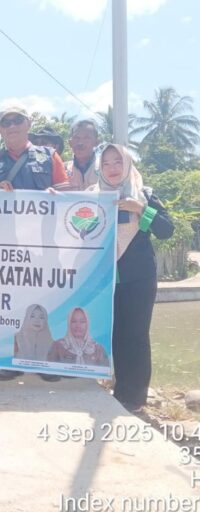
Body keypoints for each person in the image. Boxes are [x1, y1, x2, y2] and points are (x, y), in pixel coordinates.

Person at [0, 106, 69, 381]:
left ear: (28, 123)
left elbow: (68, 194)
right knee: (10, 305)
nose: (12, 125)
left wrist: (56, 194)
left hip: (44, 248)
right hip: (7, 251)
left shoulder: (50, 157)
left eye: (17, 120)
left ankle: (46, 362)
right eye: (6, 122)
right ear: (0, 129)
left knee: (46, 304)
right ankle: (12, 360)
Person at [89, 143, 174, 411]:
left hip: (139, 278)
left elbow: (166, 230)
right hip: (105, 279)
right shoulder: (92, 196)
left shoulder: (144, 194)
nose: (112, 168)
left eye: (118, 162)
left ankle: (135, 398)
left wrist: (140, 209)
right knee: (114, 334)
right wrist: (54, 200)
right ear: (99, 168)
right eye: (106, 163)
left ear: (127, 165)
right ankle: (120, 391)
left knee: (136, 335)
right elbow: (70, 221)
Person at [13, 305, 58, 381]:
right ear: (27, 318)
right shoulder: (17, 337)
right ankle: (13, 370)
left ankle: (43, 370)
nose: (37, 320)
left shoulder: (50, 342)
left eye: (41, 317)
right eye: (32, 316)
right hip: (19, 367)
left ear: (45, 321)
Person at [66, 119, 100, 191]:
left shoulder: (106, 168)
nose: (80, 143)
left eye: (87, 138)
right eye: (76, 138)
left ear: (97, 142)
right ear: (70, 142)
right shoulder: (62, 169)